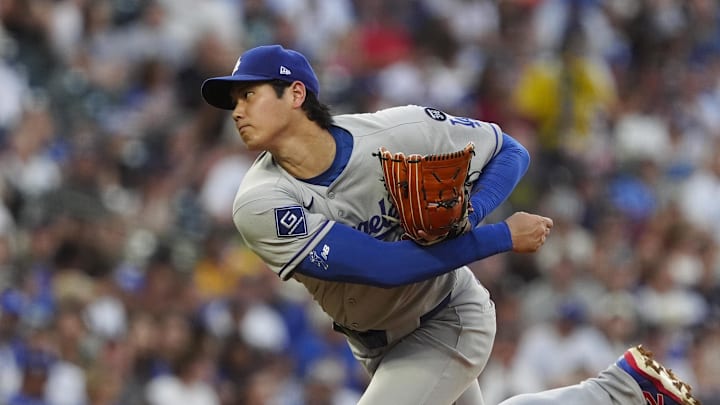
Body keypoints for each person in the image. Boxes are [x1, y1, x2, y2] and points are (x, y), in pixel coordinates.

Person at [200, 44, 701, 405]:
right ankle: (624, 390)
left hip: (446, 316)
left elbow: (509, 150)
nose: (237, 111)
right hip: (376, 341)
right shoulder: (260, 201)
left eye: (248, 95)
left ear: (294, 93)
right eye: (234, 101)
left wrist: (472, 214)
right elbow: (384, 267)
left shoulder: (398, 132)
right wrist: (500, 236)